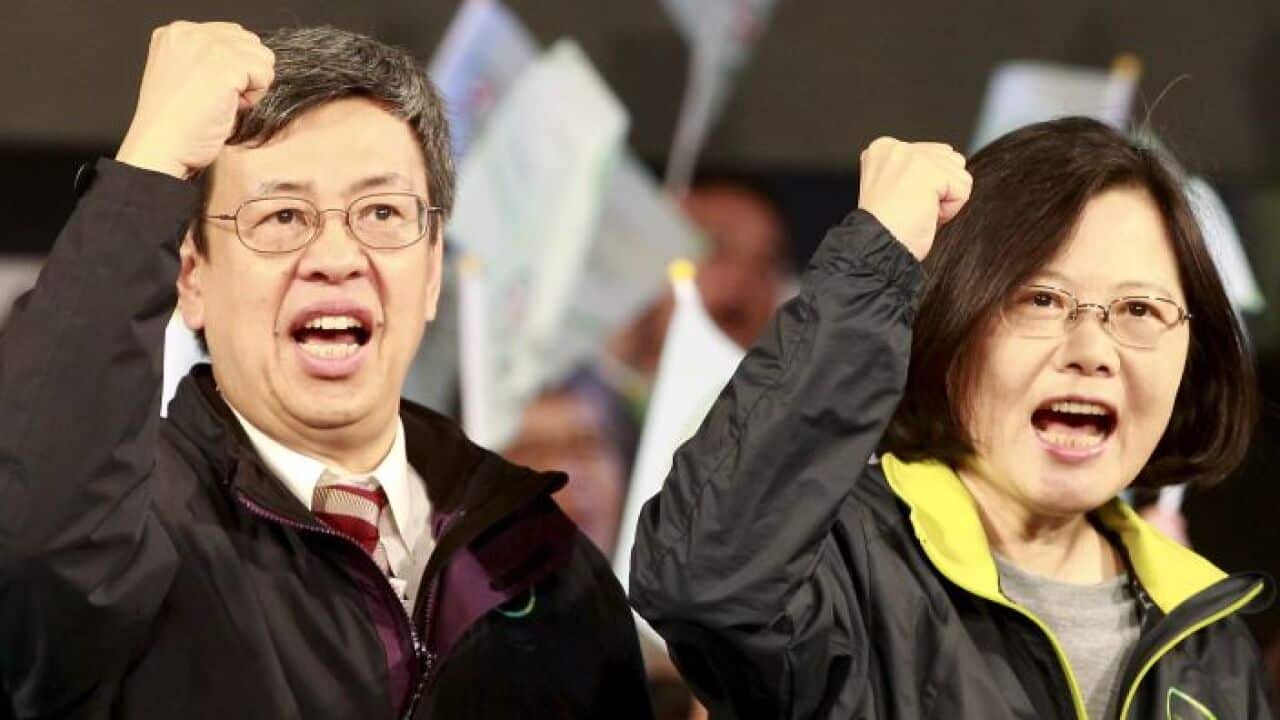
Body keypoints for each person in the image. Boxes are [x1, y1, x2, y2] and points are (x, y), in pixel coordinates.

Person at [0, 22, 649, 719]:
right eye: (281, 216)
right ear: (190, 278)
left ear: (432, 272)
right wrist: (150, 163)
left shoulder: (543, 562)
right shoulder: (129, 535)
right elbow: (36, 538)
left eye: (381, 212)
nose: (336, 256)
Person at [631, 119, 1274, 719]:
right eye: (1042, 300)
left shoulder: (1209, 638)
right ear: (954, 323)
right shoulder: (840, 567)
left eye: (1139, 309)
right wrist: (872, 265)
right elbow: (702, 584)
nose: (1092, 353)